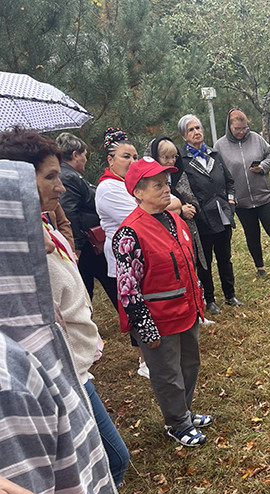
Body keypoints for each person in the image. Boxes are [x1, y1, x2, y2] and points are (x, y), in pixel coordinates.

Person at [0, 157, 136, 494]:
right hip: (63, 377)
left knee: (112, 462)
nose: (62, 186)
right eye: (49, 177)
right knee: (115, 457)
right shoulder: (15, 257)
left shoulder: (41, 230)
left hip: (75, 368)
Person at [113, 157, 212, 447]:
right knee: (167, 374)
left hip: (187, 311)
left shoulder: (175, 219)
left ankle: (184, 410)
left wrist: (199, 300)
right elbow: (128, 288)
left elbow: (187, 266)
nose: (166, 189)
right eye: (157, 185)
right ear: (138, 192)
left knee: (189, 365)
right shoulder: (129, 233)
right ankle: (177, 423)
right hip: (159, 319)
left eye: (166, 183)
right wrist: (145, 327)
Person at [95, 128, 153, 379]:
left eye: (134, 156)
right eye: (125, 157)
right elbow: (141, 214)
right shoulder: (109, 188)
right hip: (124, 257)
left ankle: (151, 354)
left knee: (147, 301)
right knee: (135, 305)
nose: (132, 162)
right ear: (110, 160)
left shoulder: (128, 185)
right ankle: (144, 360)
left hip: (142, 252)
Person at [214, 109, 270, 278]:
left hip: (265, 197)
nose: (242, 132)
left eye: (245, 127)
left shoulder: (256, 139)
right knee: (252, 235)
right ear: (229, 126)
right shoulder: (220, 146)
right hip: (242, 202)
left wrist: (263, 167)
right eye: (238, 128)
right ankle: (260, 268)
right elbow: (218, 173)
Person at [145, 136, 215, 327]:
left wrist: (187, 206)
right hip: (163, 235)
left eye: (174, 157)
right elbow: (159, 206)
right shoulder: (149, 179)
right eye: (166, 157)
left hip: (186, 230)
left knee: (192, 269)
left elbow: (189, 197)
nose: (171, 162)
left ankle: (198, 310)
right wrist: (179, 208)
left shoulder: (178, 174)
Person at [178, 114, 243, 314]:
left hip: (222, 213)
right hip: (201, 219)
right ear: (184, 136)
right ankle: (209, 299)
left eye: (198, 128)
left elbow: (230, 181)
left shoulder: (214, 154)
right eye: (191, 130)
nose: (197, 132)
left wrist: (231, 201)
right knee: (204, 261)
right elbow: (178, 189)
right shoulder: (182, 160)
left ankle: (230, 294)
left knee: (225, 257)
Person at [56, 132, 117, 305]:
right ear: (75, 154)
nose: (86, 159)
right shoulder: (68, 177)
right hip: (88, 247)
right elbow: (69, 213)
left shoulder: (71, 175)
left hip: (89, 245)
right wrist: (76, 246)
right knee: (92, 289)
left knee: (88, 289)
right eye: (84, 155)